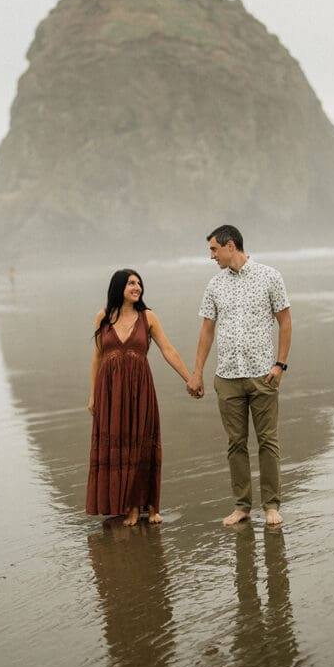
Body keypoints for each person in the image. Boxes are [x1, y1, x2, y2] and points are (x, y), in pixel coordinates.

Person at [186, 225, 292, 527]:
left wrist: (280, 365)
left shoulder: (270, 276)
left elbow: (285, 321)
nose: (211, 256)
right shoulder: (214, 286)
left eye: (213, 249)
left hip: (263, 375)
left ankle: (271, 505)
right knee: (236, 443)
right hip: (228, 376)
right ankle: (242, 506)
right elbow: (207, 331)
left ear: (230, 246)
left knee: (268, 441)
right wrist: (198, 373)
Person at [86, 268, 193, 526]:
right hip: (110, 392)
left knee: (141, 444)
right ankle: (124, 504)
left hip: (139, 390)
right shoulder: (104, 317)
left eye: (139, 283)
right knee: (118, 446)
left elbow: (168, 350)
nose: (137, 287)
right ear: (118, 287)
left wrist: (189, 378)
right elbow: (97, 357)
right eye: (131, 283)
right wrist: (93, 396)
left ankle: (145, 507)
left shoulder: (148, 317)